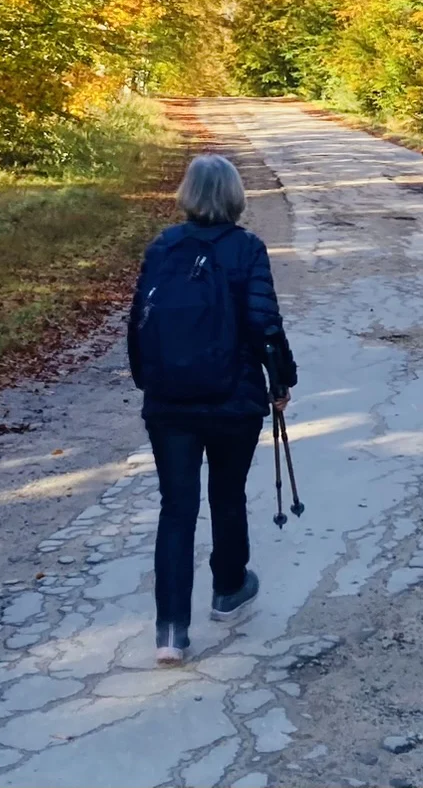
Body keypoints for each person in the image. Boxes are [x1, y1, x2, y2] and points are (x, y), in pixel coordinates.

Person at [128, 153, 296, 666]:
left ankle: (171, 632)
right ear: (234, 196)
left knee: (176, 507)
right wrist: (281, 380)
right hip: (233, 396)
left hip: (170, 400)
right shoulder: (246, 248)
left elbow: (139, 319)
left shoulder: (162, 247)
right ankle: (228, 590)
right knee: (227, 493)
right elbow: (263, 322)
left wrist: (147, 382)